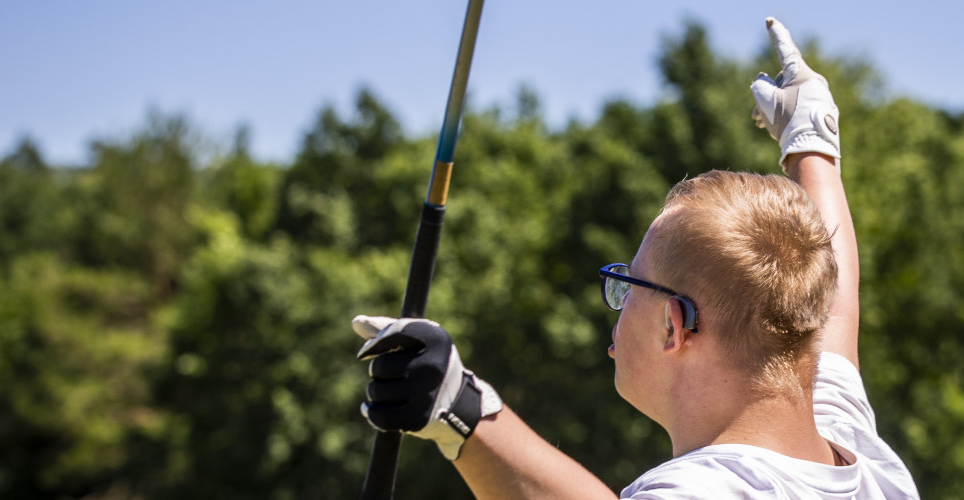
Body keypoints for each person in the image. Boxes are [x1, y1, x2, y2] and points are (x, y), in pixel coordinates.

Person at [352, 17, 919, 499]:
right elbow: (833, 306)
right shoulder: (861, 458)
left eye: (628, 287)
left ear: (674, 325)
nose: (616, 308)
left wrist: (460, 409)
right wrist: (812, 142)